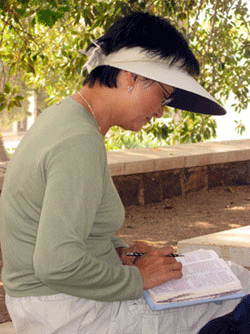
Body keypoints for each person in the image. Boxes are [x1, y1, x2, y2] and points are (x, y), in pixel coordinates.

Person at [0, 11, 249, 334]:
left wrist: (123, 253)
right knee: (239, 298)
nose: (160, 111)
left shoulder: (64, 119)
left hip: (52, 303)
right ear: (131, 77)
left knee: (236, 275)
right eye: (163, 95)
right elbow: (56, 265)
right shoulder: (79, 140)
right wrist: (138, 278)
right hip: (70, 312)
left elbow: (72, 231)